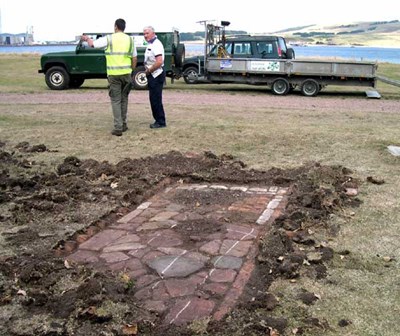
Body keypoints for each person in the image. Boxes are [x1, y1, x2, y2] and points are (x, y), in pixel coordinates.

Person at [81, 19, 137, 136]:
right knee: (124, 99)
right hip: (127, 73)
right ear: (124, 27)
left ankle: (118, 127)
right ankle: (124, 124)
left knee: (116, 100)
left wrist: (86, 38)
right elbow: (134, 58)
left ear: (115, 27)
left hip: (114, 74)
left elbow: (93, 44)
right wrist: (131, 70)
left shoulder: (109, 38)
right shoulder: (130, 40)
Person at [143, 26, 166, 129]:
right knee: (153, 99)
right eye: (144, 33)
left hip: (156, 74)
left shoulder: (156, 44)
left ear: (153, 33)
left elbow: (159, 61)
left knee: (156, 99)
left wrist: (149, 70)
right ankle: (158, 120)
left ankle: (160, 121)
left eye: (147, 33)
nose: (145, 35)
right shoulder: (151, 44)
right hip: (152, 74)